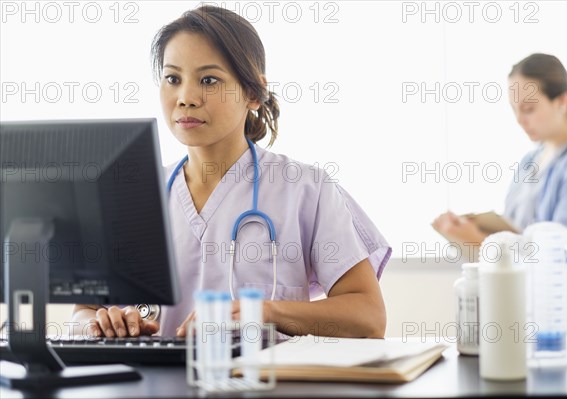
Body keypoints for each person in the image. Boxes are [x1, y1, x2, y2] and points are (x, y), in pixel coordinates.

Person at [72, 5, 391, 339]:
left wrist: (263, 311)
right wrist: (98, 324)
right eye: (173, 79)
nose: (186, 98)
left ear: (253, 93)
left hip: (266, 387)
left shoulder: (305, 189)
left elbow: (368, 317)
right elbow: (84, 312)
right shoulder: (133, 194)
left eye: (209, 80)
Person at [432, 53, 567, 329]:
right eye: (514, 109)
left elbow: (560, 260)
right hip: (525, 321)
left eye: (529, 108)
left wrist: (483, 244)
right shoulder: (530, 161)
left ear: (562, 102)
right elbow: (516, 236)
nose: (520, 119)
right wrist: (470, 236)